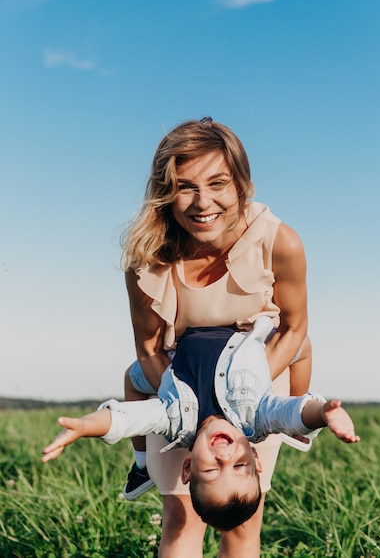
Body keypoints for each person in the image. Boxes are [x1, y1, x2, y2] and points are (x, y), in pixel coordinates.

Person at [117, 116, 316, 557]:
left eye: (218, 183)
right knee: (180, 520)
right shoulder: (145, 261)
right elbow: (148, 349)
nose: (202, 202)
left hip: (257, 383)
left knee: (243, 527)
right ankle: (144, 466)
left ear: (242, 184)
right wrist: (184, 403)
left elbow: (294, 328)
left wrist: (240, 391)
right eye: (185, 186)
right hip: (179, 383)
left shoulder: (279, 242)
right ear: (165, 194)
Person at [42, 316, 359, 532]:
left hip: (185, 338)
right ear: (255, 459)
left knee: (132, 378)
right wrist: (322, 414)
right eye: (240, 467)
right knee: (301, 345)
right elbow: (291, 411)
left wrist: (85, 425)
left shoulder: (175, 421)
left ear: (187, 467)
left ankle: (141, 463)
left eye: (210, 471)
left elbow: (127, 419)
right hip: (241, 335)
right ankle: (299, 435)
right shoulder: (257, 417)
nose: (225, 459)